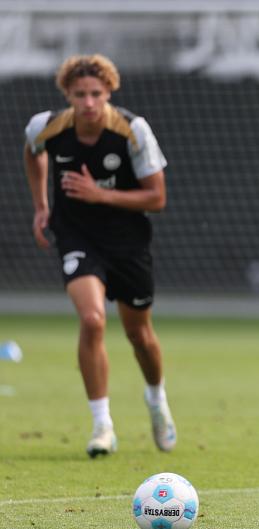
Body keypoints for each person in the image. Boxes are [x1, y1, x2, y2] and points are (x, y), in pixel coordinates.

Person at [23, 54, 175, 458]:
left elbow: (157, 197)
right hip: (76, 236)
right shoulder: (47, 126)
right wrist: (41, 206)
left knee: (139, 335)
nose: (88, 102)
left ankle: (157, 399)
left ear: (108, 91)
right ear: (68, 95)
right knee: (92, 320)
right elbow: (32, 152)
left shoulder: (132, 130)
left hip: (127, 241)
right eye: (79, 95)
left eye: (95, 94)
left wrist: (100, 194)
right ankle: (102, 425)